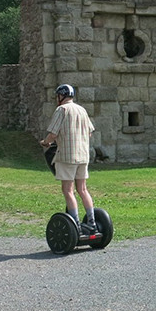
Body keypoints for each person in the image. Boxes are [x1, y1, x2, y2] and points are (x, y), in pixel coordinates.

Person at [39, 84, 98, 234]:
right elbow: (89, 132)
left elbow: (53, 133)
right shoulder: (82, 110)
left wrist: (46, 142)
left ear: (61, 96)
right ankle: (92, 222)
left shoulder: (62, 110)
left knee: (68, 190)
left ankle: (75, 224)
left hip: (67, 156)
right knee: (83, 189)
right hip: (83, 155)